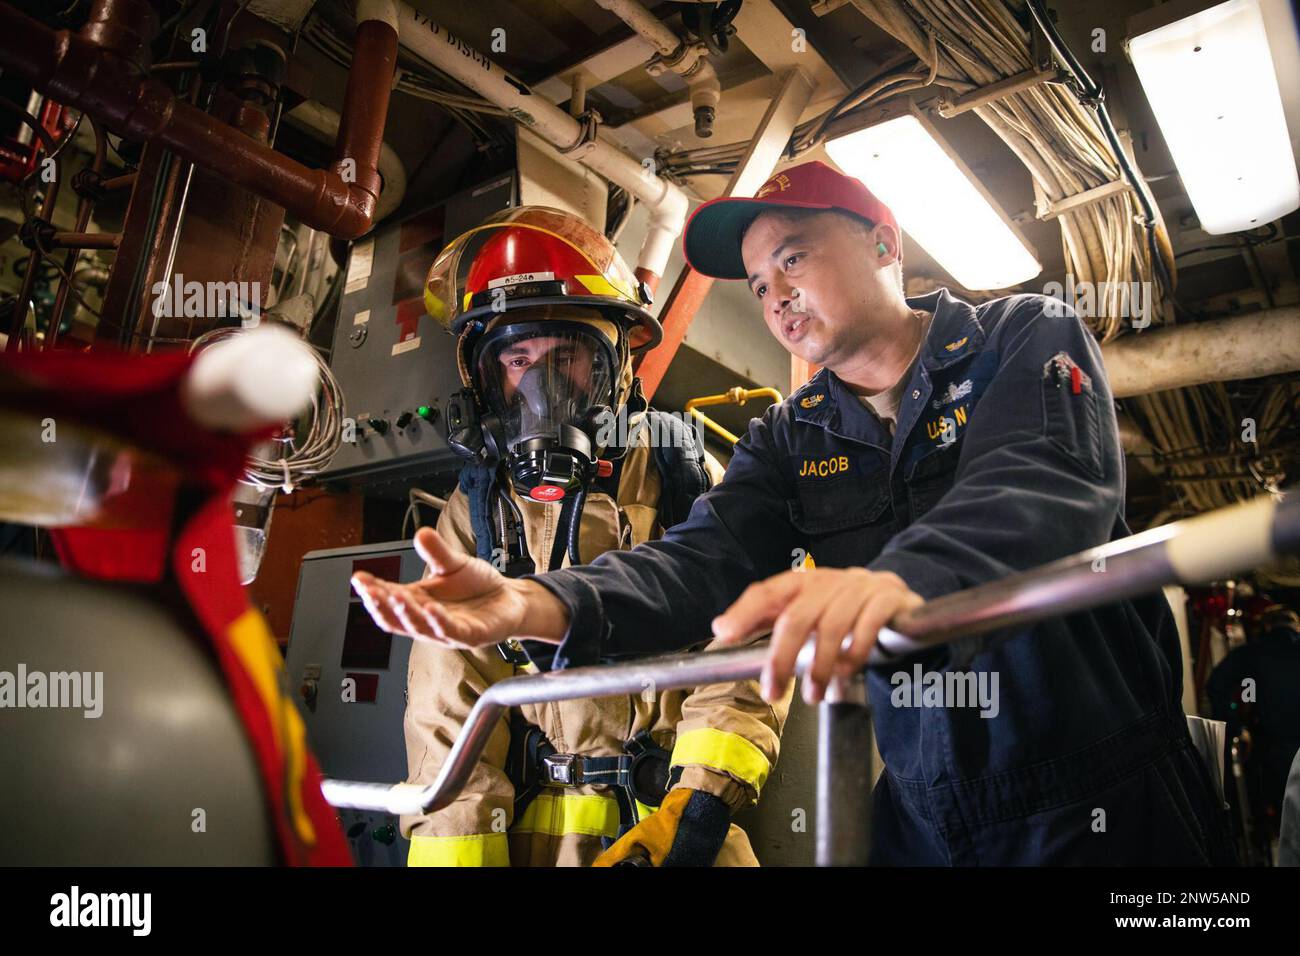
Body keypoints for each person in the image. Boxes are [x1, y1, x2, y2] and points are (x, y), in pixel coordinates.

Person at [359, 162, 1236, 865]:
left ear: (883, 242)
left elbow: (1042, 484)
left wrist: (897, 583)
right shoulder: (789, 434)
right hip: (928, 814)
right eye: (756, 279)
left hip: (1104, 795)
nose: (772, 295)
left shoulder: (1022, 337)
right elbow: (700, 561)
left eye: (793, 256)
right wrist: (541, 605)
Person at [402, 206, 791, 867]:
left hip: (673, 833)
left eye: (568, 356)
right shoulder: (476, 514)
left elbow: (750, 647)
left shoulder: (689, 481)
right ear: (489, 380)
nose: (541, 385)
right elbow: (449, 717)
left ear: (616, 368)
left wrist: (695, 808)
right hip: (529, 840)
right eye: (519, 358)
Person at [1207, 604, 1300, 851]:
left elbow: (1216, 684)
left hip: (1274, 747)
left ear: (1266, 627)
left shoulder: (1253, 652)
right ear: (1296, 626)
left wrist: (1237, 729)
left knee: (1287, 817)